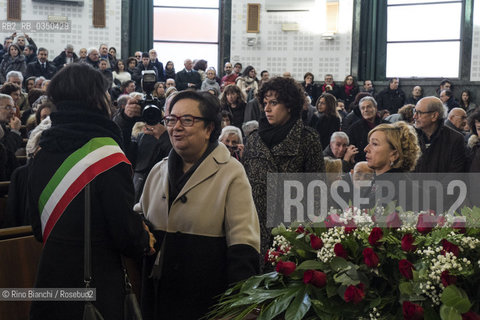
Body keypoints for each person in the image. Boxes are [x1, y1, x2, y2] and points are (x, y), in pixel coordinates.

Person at [27, 63, 155, 320]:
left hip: (51, 281)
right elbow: (126, 235)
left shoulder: (41, 151)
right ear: (96, 99)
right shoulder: (106, 153)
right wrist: (144, 240)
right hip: (96, 284)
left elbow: (38, 229)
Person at [134, 90, 260, 319]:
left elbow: (244, 244)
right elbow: (138, 218)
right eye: (171, 120)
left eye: (187, 120)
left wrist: (240, 306)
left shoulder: (231, 173)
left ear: (209, 128)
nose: (176, 127)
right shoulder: (157, 170)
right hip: (157, 298)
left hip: (206, 301)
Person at [242, 76, 325, 270]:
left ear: (289, 105)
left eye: (274, 103)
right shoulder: (253, 140)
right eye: (265, 103)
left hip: (291, 234)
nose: (267, 108)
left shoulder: (307, 139)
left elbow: (317, 194)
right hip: (254, 233)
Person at [364, 122, 421, 208]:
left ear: (394, 155)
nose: (366, 149)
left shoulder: (403, 190)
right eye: (369, 143)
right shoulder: (376, 182)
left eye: (375, 144)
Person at [414, 96, 466, 172]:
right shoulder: (408, 136)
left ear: (434, 116)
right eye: (414, 111)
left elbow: (455, 173)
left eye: (419, 113)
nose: (414, 116)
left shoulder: (455, 139)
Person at [347, 96, 386, 162]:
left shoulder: (387, 126)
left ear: (375, 108)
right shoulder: (354, 128)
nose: (365, 110)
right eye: (363, 108)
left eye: (369, 107)